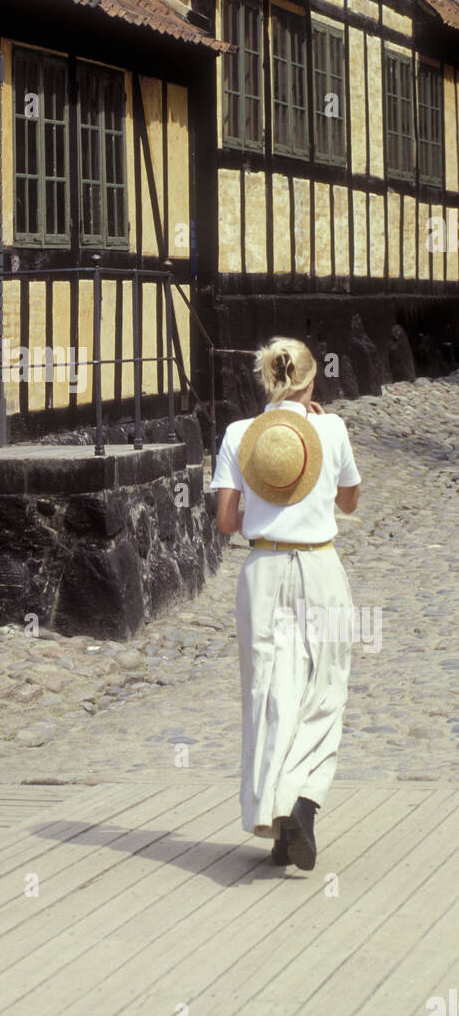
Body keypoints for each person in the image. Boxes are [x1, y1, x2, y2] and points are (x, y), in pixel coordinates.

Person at [209, 337, 362, 871]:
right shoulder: (332, 428)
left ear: (265, 381)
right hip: (320, 568)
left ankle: (275, 821)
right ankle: (302, 802)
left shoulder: (237, 435)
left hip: (263, 570)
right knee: (326, 687)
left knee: (269, 692)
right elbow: (349, 499)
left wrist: (263, 489)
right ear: (310, 381)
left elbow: (227, 522)